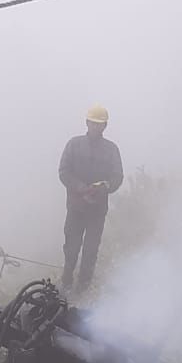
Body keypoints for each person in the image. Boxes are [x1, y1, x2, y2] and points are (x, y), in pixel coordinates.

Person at [58, 105, 124, 292]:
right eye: (93, 123)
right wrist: (81, 188)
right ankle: (66, 281)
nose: (96, 127)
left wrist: (104, 188)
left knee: (90, 250)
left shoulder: (111, 149)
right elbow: (64, 172)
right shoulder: (74, 144)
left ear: (105, 126)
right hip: (76, 208)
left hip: (97, 211)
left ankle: (83, 286)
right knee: (71, 248)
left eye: (100, 124)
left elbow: (117, 176)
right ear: (87, 123)